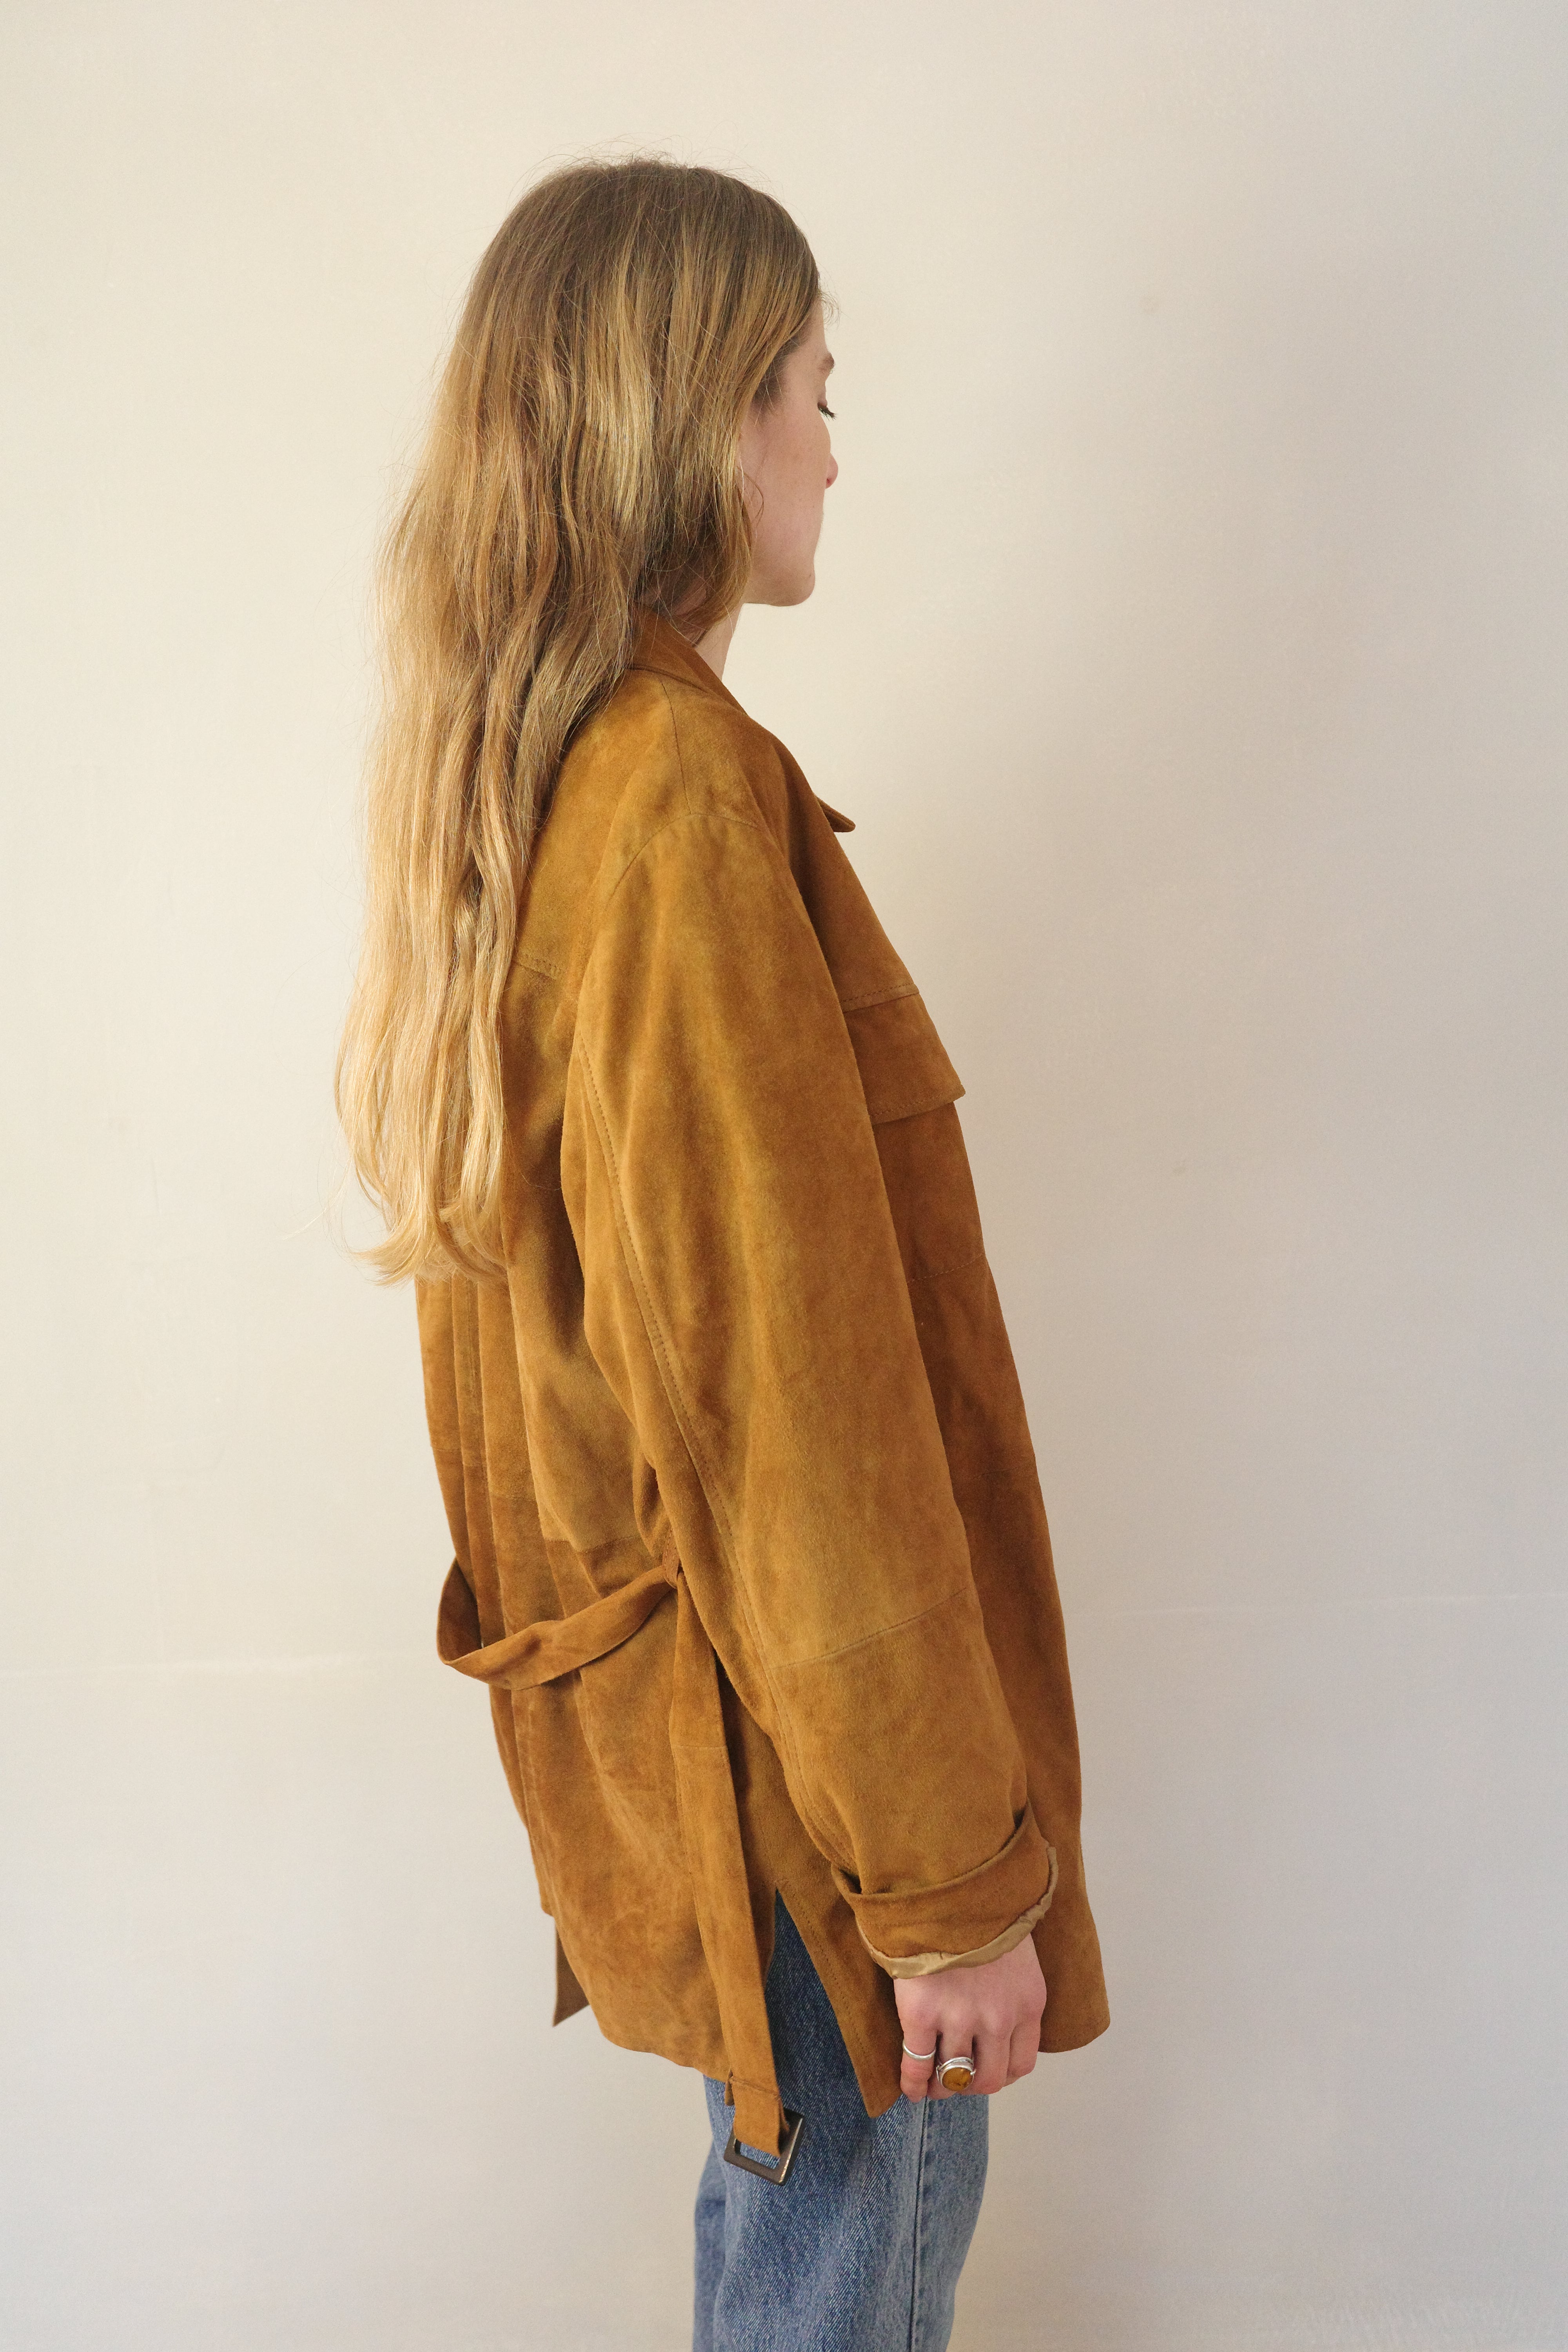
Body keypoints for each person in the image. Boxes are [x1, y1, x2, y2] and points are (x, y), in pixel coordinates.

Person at [338, 155, 1109, 2352]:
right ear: (698, 415)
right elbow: (788, 1412)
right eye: (812, 391)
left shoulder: (552, 787)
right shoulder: (671, 794)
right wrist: (945, 1887)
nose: (834, 452)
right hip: (813, 1806)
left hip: (736, 1770)